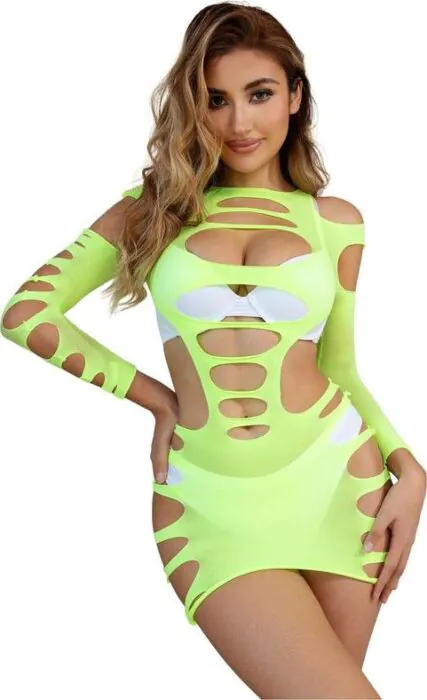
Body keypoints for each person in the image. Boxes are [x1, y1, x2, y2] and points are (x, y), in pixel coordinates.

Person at [1, 2, 426, 698]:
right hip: (209, 502)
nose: (238, 123)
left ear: (295, 96)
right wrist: (156, 399)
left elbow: (339, 367)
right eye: (215, 100)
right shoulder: (151, 211)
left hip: (339, 486)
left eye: (259, 94)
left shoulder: (336, 223)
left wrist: (409, 470)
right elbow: (25, 314)